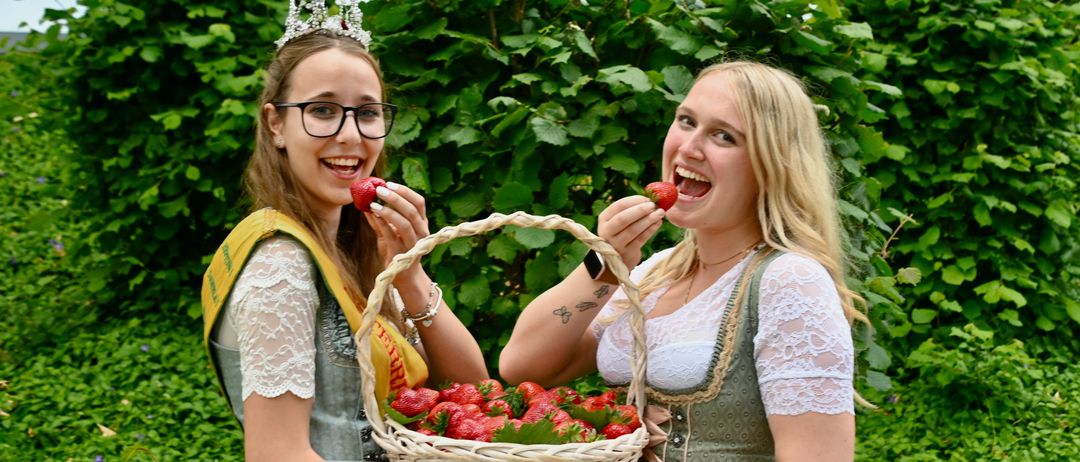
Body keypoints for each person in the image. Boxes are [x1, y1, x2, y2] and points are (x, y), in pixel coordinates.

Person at [500, 61, 865, 461]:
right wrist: (605, 264)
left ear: (771, 165)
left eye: (724, 136)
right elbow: (523, 367)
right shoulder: (657, 271)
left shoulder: (790, 279)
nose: (689, 148)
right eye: (686, 121)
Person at [200, 2, 487, 460]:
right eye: (322, 110)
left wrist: (410, 275)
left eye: (367, 113)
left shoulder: (356, 249)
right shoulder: (282, 264)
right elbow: (277, 454)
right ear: (275, 124)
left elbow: (475, 394)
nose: (351, 135)